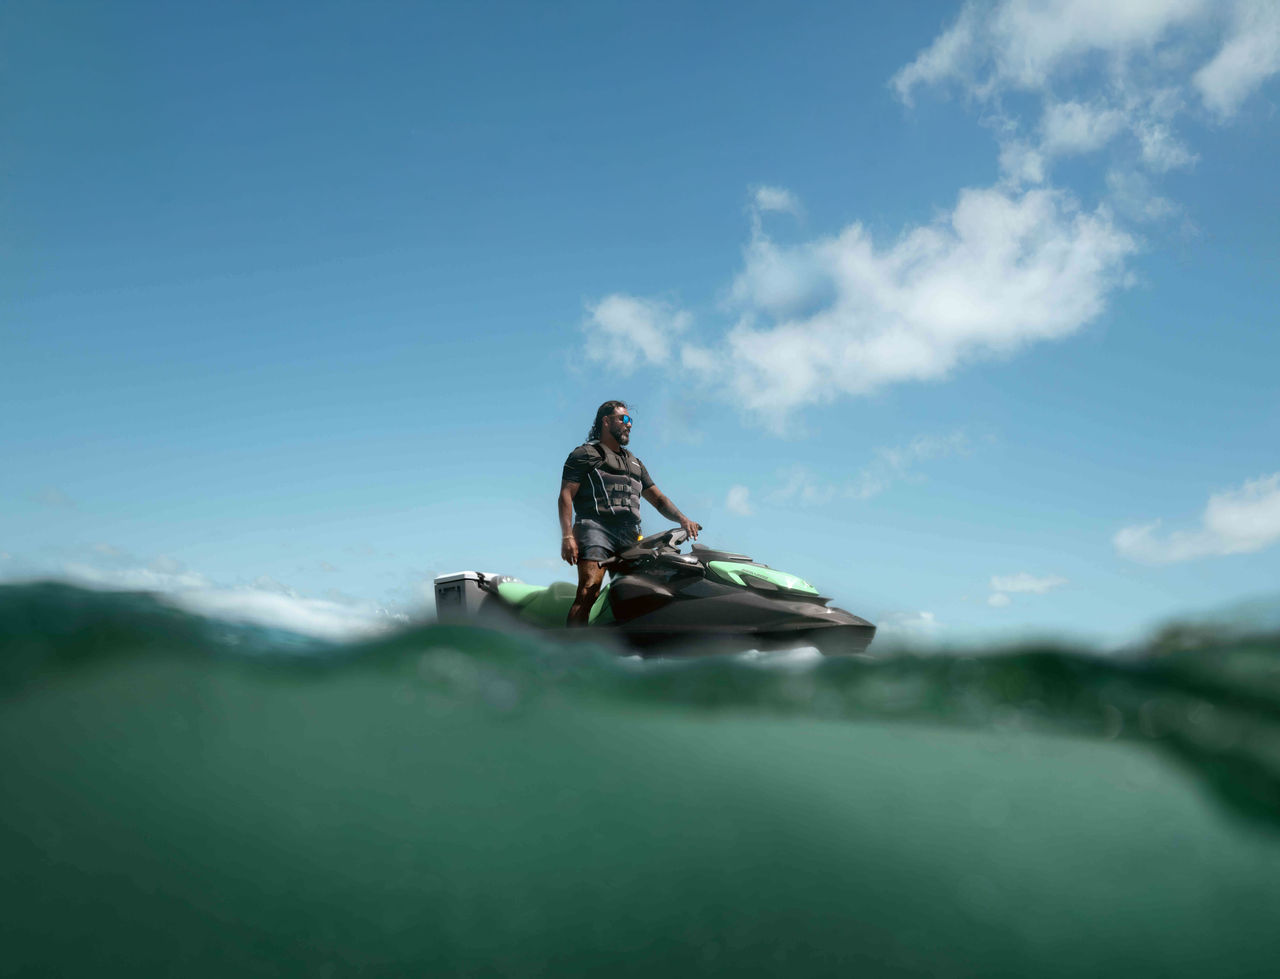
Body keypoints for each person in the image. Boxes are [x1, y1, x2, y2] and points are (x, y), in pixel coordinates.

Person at [558, 401, 700, 626]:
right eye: (623, 419)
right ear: (606, 421)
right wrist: (567, 537)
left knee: (646, 592)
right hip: (595, 529)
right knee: (589, 590)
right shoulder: (584, 454)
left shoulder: (635, 463)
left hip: (630, 536)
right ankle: (570, 650)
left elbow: (659, 499)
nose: (629, 425)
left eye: (630, 420)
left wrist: (682, 519)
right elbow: (566, 495)